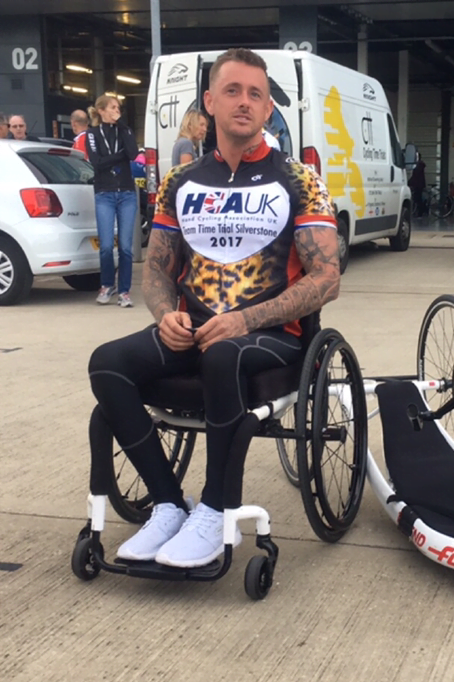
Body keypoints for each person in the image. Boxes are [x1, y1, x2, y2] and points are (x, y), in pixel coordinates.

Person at [88, 47, 340, 569]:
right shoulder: (180, 183)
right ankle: (167, 503)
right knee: (106, 362)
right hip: (193, 330)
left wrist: (245, 320)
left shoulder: (298, 179)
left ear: (269, 108)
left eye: (256, 94)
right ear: (209, 102)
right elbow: (156, 268)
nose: (244, 102)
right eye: (233, 91)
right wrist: (165, 316)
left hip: (270, 336)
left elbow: (327, 278)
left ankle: (215, 509)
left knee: (223, 356)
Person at [85, 94, 139, 307]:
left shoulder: (124, 130)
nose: (117, 111)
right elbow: (97, 163)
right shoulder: (92, 133)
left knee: (126, 247)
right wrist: (120, 156)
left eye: (119, 107)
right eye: (113, 107)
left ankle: (124, 291)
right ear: (102, 110)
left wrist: (123, 126)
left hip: (126, 193)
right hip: (105, 193)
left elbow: (133, 153)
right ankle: (107, 284)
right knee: (106, 245)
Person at [408, 152, 426, 217]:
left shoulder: (419, 165)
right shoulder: (419, 165)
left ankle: (420, 212)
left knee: (418, 199)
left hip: (418, 185)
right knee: (418, 198)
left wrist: (409, 182)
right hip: (419, 184)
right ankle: (420, 211)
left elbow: (415, 176)